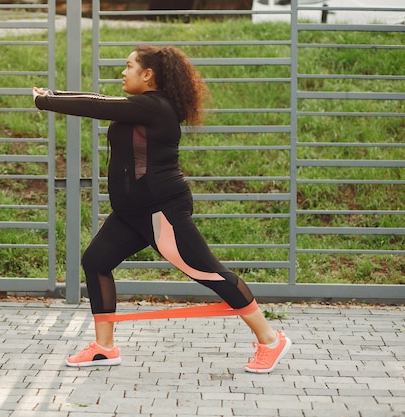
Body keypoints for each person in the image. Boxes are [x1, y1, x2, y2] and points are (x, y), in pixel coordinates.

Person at [33, 45, 291, 373]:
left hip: (160, 210)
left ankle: (270, 339)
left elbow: (96, 104)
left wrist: (45, 100)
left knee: (207, 271)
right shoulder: (142, 107)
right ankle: (104, 348)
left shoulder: (154, 107)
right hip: (132, 213)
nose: (122, 73)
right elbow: (96, 99)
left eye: (128, 66)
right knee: (96, 262)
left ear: (148, 74)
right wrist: (52, 94)